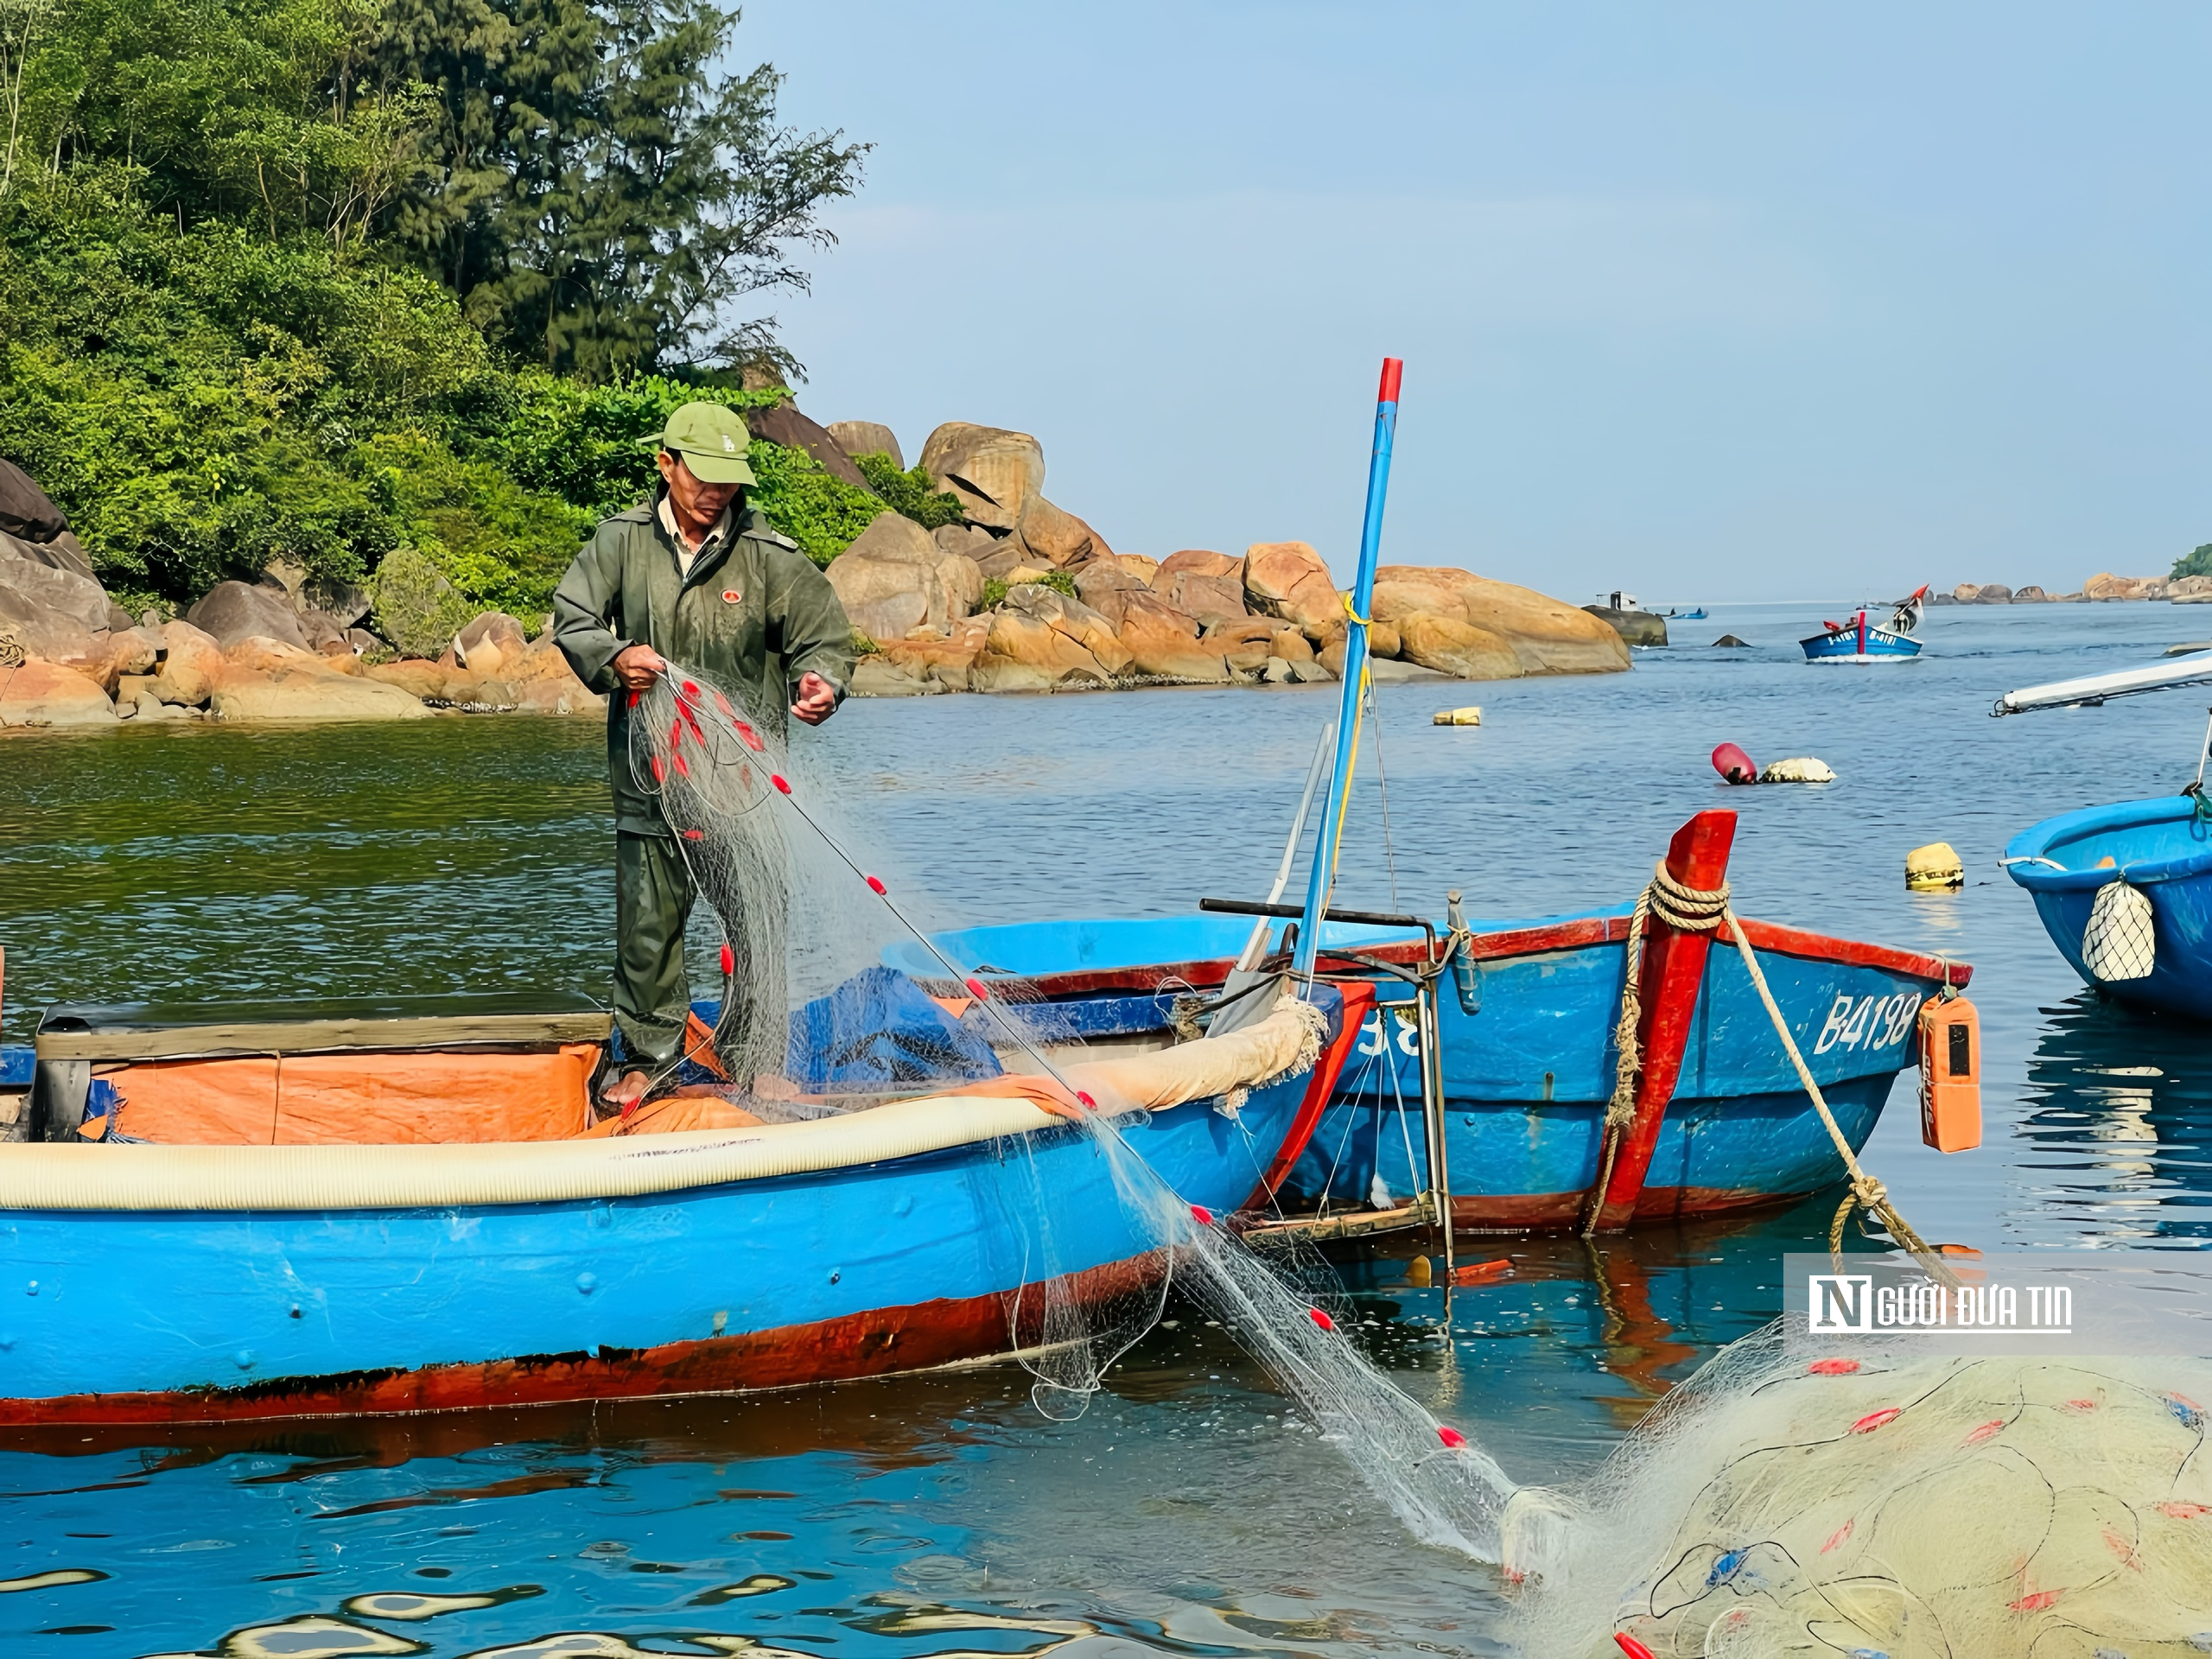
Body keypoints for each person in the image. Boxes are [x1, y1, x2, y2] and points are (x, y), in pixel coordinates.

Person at [552, 401, 855, 1108]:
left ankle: (757, 1058)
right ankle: (648, 1061)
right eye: (702, 477)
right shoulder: (622, 541)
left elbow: (824, 637)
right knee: (648, 928)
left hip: (743, 784)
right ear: (667, 464)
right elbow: (574, 616)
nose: (716, 492)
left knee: (758, 922)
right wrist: (614, 656)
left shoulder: (769, 554)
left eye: (728, 480)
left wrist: (823, 682)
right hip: (649, 777)